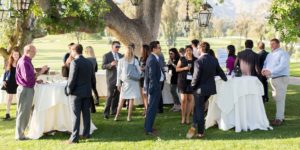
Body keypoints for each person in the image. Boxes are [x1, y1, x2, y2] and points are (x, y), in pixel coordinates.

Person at [187, 42, 227, 139]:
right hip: (209, 90)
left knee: (199, 110)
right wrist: (225, 78)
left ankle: (200, 132)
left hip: (200, 90)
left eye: (198, 48)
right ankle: (193, 126)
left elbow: (195, 77)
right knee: (197, 108)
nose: (197, 50)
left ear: (201, 49)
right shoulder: (213, 59)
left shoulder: (198, 62)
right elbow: (220, 71)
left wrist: (191, 87)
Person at [15, 44, 48, 140]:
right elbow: (28, 78)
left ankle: (21, 133)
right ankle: (20, 135)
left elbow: (29, 78)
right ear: (28, 51)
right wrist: (41, 71)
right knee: (23, 113)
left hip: (26, 88)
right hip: (25, 89)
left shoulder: (26, 61)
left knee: (24, 112)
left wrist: (36, 80)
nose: (35, 53)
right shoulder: (24, 62)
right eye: (34, 52)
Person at [65, 44, 96, 144]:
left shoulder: (75, 62)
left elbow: (72, 79)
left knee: (75, 116)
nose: (70, 53)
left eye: (71, 51)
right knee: (86, 114)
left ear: (74, 51)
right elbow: (93, 79)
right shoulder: (89, 62)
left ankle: (74, 138)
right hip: (87, 92)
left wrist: (68, 90)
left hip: (76, 93)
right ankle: (86, 134)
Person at [262, 38, 290, 126]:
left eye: (273, 44)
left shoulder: (283, 53)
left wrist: (271, 72)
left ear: (278, 44)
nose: (271, 45)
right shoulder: (270, 54)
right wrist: (264, 70)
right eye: (270, 44)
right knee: (277, 98)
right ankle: (281, 117)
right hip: (272, 78)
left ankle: (279, 119)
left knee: (280, 99)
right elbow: (265, 64)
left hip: (281, 78)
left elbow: (282, 66)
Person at [114, 43, 141, 121]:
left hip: (125, 82)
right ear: (132, 51)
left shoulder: (121, 60)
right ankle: (129, 117)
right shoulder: (135, 60)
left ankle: (116, 116)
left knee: (122, 99)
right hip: (133, 82)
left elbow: (118, 73)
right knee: (131, 100)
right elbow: (139, 72)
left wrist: (118, 83)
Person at [144, 41, 164, 136]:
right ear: (154, 49)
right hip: (154, 87)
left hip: (155, 86)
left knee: (152, 108)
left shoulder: (154, 58)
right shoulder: (152, 59)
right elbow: (152, 76)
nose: (160, 49)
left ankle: (149, 126)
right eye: (159, 47)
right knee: (152, 109)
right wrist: (157, 87)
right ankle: (148, 129)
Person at [176, 45, 197, 124]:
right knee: (183, 100)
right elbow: (177, 69)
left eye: (190, 50)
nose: (189, 52)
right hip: (182, 81)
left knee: (190, 99)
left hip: (191, 82)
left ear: (192, 51)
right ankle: (183, 117)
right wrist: (184, 68)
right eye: (187, 50)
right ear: (185, 51)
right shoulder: (182, 59)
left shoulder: (195, 60)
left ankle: (188, 117)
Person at [102, 41, 123, 119]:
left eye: (119, 47)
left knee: (117, 96)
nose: (118, 48)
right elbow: (103, 66)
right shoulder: (107, 55)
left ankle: (114, 111)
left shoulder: (121, 55)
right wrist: (111, 64)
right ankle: (106, 113)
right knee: (110, 95)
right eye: (116, 46)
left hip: (119, 79)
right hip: (111, 79)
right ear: (112, 47)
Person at [2, 49, 21, 120]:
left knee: (19, 98)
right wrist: (4, 80)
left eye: (17, 54)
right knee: (9, 98)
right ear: (12, 55)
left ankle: (18, 114)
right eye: (15, 54)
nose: (16, 56)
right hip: (10, 82)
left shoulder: (21, 62)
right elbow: (6, 72)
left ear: (19, 55)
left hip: (18, 82)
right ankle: (7, 114)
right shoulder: (9, 62)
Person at [85, 46, 100, 110]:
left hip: (88, 76)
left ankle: (91, 105)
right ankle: (97, 100)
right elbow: (96, 69)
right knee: (94, 89)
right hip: (93, 76)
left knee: (89, 90)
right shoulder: (94, 59)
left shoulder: (86, 59)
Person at [167, 48, 181, 112]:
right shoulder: (171, 59)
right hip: (172, 77)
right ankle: (175, 104)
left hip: (177, 77)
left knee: (173, 90)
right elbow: (170, 69)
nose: (170, 55)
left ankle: (178, 105)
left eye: (171, 53)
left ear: (175, 53)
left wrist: (172, 63)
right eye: (169, 53)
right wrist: (169, 64)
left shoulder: (178, 59)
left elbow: (178, 68)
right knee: (172, 91)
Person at [139, 44, 150, 116]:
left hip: (146, 78)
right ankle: (145, 108)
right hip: (141, 78)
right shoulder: (141, 58)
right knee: (143, 95)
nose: (140, 50)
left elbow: (148, 68)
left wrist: (143, 68)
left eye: (141, 49)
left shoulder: (149, 58)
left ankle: (147, 110)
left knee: (145, 94)